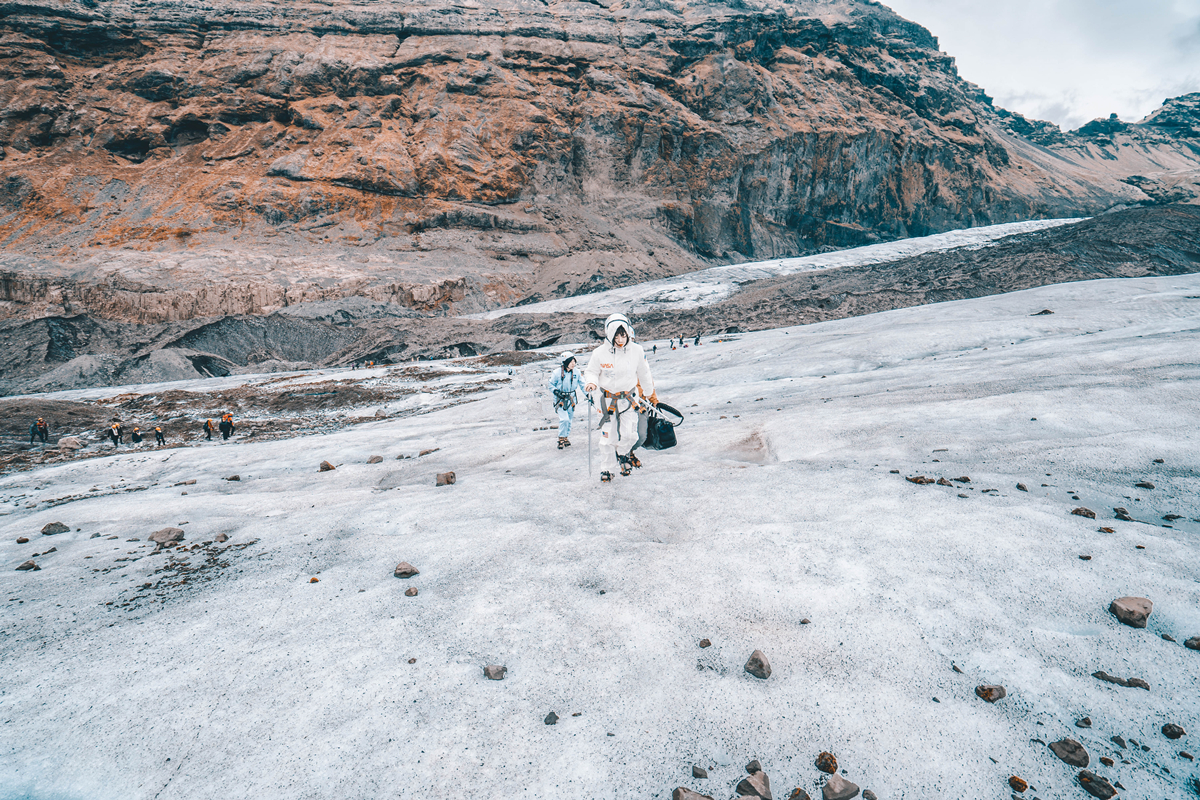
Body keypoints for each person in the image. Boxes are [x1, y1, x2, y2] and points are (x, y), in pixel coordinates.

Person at [584, 313, 657, 483]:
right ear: (609, 334)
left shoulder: (637, 351)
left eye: (623, 335)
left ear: (628, 334)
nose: (620, 339)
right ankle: (607, 469)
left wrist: (648, 392)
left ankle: (623, 453)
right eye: (616, 335)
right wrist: (591, 383)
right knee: (607, 437)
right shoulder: (599, 353)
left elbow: (644, 372)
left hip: (629, 400)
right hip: (606, 401)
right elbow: (591, 371)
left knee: (630, 435)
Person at [548, 351, 584, 449]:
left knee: (569, 420)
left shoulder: (577, 372)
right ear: (565, 362)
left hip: (571, 399)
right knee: (564, 419)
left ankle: (565, 437)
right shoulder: (556, 373)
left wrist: (589, 395)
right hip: (560, 400)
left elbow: (582, 384)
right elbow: (550, 384)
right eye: (571, 362)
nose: (573, 364)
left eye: (574, 361)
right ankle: (561, 438)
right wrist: (556, 391)